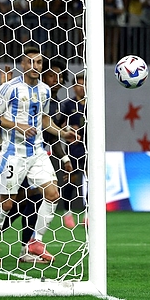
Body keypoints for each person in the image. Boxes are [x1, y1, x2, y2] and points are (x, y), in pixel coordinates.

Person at [0, 46, 78, 266]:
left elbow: (44, 120)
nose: (35, 67)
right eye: (30, 62)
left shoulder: (44, 90)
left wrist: (62, 132)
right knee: (7, 204)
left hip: (37, 151)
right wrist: (19, 126)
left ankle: (36, 241)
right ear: (23, 64)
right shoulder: (9, 88)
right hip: (13, 153)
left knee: (52, 193)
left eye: (39, 63)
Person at [59, 73, 87, 227]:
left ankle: (88, 214)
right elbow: (59, 124)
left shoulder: (92, 104)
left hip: (89, 148)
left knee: (90, 181)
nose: (81, 87)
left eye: (83, 84)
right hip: (73, 148)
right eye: (78, 84)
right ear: (73, 87)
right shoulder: (68, 105)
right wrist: (68, 129)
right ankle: (67, 212)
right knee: (71, 181)